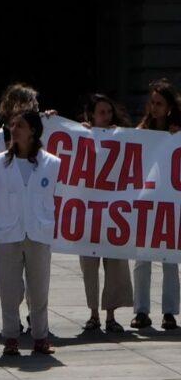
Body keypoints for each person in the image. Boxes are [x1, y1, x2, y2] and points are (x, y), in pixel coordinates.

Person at [0, 108, 61, 358]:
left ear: (32, 130)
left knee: (39, 288)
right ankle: (11, 336)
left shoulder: (51, 163)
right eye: (12, 125)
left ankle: (40, 336)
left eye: (19, 125)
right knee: (9, 290)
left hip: (38, 233)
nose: (14, 130)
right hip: (9, 232)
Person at [78, 93, 134, 334]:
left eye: (109, 112)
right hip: (88, 212)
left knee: (115, 266)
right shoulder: (80, 134)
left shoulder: (122, 136)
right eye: (101, 112)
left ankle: (110, 315)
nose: (106, 116)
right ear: (90, 114)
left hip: (113, 213)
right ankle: (93, 315)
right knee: (89, 266)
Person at [131, 78, 181, 332]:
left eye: (159, 103)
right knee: (142, 259)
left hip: (170, 204)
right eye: (152, 102)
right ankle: (141, 311)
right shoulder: (141, 132)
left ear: (170, 106)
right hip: (145, 203)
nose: (154, 108)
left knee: (170, 259)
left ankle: (170, 312)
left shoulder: (178, 134)